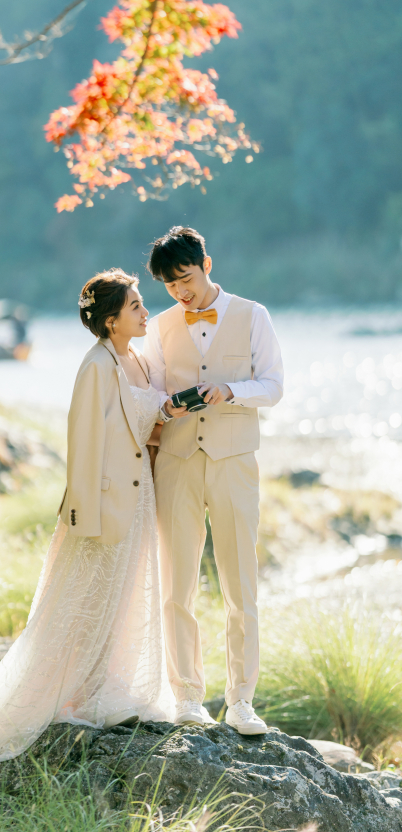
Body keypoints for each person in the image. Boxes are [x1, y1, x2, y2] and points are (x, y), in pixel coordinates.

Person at [0, 268, 174, 760]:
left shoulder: (138, 359)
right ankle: (64, 695)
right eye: (136, 306)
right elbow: (84, 443)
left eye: (142, 303)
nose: (145, 312)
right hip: (103, 501)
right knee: (84, 602)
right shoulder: (96, 365)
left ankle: (110, 690)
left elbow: (142, 423)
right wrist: (85, 514)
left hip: (140, 494)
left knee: (125, 596)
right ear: (111, 320)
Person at [142, 226, 283, 735]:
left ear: (206, 264)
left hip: (234, 462)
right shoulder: (160, 326)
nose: (180, 291)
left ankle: (242, 701)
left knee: (241, 585)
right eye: (170, 284)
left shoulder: (253, 315)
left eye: (185, 278)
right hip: (176, 462)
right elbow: (152, 394)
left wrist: (230, 390)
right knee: (175, 585)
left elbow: (273, 386)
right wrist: (167, 407)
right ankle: (186, 696)